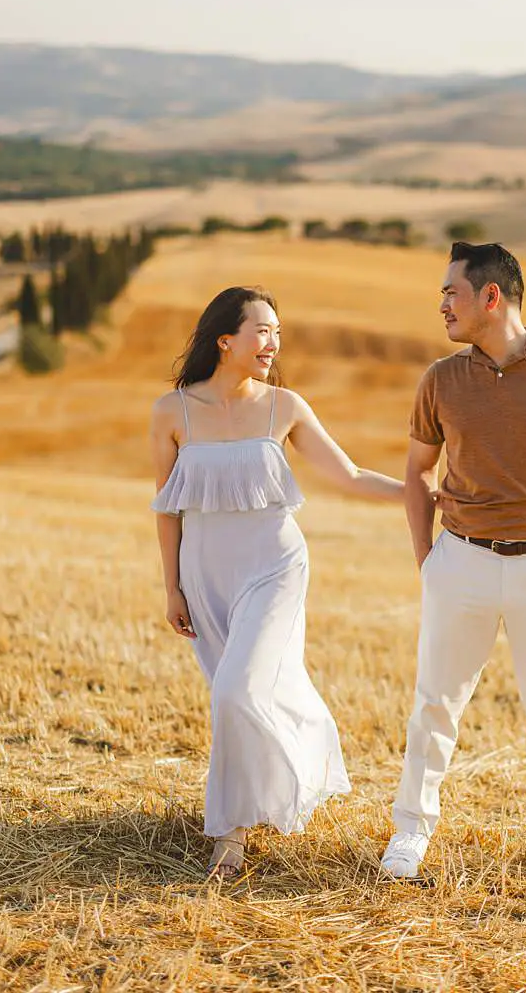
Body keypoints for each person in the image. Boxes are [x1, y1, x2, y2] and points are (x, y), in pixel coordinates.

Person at [150, 285, 405, 879]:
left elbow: (349, 473)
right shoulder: (173, 411)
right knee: (235, 696)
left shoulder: (284, 406)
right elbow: (166, 508)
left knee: (236, 691)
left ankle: (231, 837)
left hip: (275, 567)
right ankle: (253, 804)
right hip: (205, 575)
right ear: (225, 340)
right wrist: (172, 587)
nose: (273, 343)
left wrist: (421, 493)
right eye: (262, 330)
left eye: (278, 332)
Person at [382, 242, 526, 883]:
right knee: (434, 706)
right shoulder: (441, 379)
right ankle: (410, 833)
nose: (442, 306)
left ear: (492, 297)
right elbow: (417, 473)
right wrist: (429, 559)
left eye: (450, 293)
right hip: (461, 564)